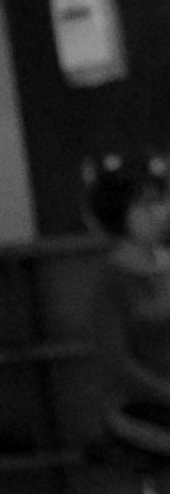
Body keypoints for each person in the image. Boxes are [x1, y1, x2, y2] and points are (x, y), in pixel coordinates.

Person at [84, 158, 170, 457]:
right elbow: (117, 363)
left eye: (160, 202)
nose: (160, 213)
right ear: (119, 214)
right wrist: (165, 391)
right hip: (134, 406)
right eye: (145, 206)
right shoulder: (112, 279)